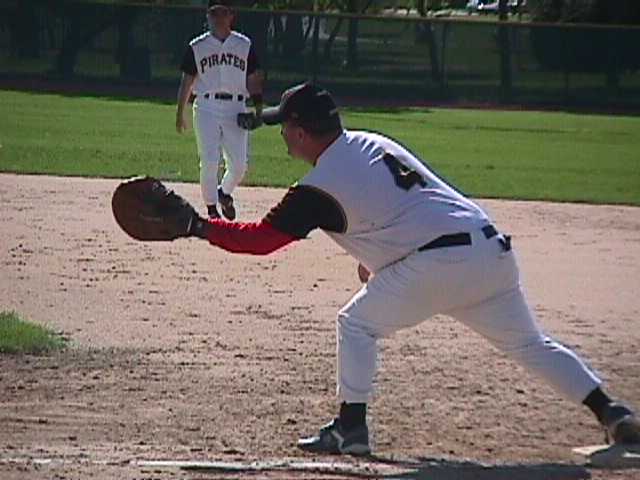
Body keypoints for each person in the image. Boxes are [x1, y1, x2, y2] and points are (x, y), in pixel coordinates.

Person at [186, 82, 640, 456]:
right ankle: (611, 411)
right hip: (490, 252)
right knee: (528, 343)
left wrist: (196, 226)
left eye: (284, 126)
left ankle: (350, 429)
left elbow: (261, 241)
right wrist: (378, 263)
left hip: (439, 262)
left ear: (301, 131)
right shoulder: (370, 142)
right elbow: (400, 206)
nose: (282, 135)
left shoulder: (318, 186)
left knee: (356, 323)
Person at [176, 0, 264, 220]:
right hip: (206, 106)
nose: (218, 18)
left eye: (222, 13)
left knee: (239, 165)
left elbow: (252, 77)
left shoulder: (244, 45)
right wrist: (180, 112)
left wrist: (259, 107)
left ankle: (223, 193)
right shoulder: (197, 46)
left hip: (236, 106)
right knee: (209, 159)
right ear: (208, 16)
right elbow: (187, 81)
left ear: (231, 16)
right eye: (213, 13)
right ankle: (211, 209)